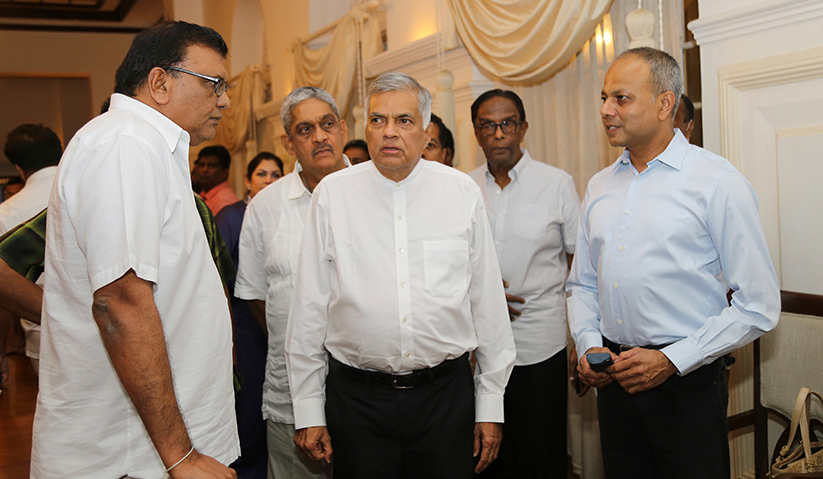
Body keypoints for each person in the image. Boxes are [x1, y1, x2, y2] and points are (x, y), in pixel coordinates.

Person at [32, 21, 240, 479]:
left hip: (158, 446)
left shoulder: (148, 146)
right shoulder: (124, 144)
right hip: (133, 455)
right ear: (160, 82)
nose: (224, 100)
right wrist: (180, 456)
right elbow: (120, 302)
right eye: (214, 84)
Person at [285, 72, 516, 479]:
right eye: (378, 120)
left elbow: (488, 307)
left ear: (427, 131)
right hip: (358, 403)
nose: (389, 132)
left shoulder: (460, 192)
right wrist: (307, 410)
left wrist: (490, 405)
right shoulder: (332, 196)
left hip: (445, 398)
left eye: (404, 121)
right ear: (364, 127)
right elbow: (307, 311)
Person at [567, 47, 780, 479]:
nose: (606, 110)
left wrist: (672, 360)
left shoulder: (717, 182)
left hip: (687, 384)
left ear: (665, 103)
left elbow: (759, 305)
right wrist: (590, 342)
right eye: (604, 98)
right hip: (614, 380)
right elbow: (583, 284)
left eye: (621, 98)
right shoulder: (600, 185)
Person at [235, 86, 350, 479]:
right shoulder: (265, 207)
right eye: (305, 129)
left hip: (369, 396)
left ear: (343, 129)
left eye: (327, 124)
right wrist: (300, 343)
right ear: (288, 142)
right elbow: (256, 296)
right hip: (292, 396)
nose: (320, 136)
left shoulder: (378, 192)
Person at [469, 89, 579, 479]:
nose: (499, 133)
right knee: (488, 458)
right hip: (478, 350)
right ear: (477, 133)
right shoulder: (463, 189)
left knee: (541, 456)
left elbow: (578, 263)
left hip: (539, 344)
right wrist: (481, 291)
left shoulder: (556, 184)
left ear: (523, 128)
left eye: (507, 123)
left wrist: (580, 334)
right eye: (488, 125)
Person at [215, 151, 283, 479]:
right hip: (243, 324)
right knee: (250, 409)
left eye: (275, 174)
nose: (269, 181)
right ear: (248, 179)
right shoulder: (231, 216)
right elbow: (219, 279)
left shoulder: (284, 213)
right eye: (262, 174)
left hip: (280, 319)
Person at [0, 124, 62, 379]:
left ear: (18, 167)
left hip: (45, 335)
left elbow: (4, 290)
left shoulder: (7, 213)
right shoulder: (90, 190)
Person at [197, 144, 240, 215]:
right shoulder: (205, 195)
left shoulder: (225, 202)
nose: (204, 169)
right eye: (201, 165)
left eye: (211, 165)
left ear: (225, 172)